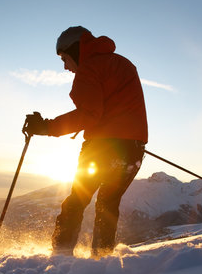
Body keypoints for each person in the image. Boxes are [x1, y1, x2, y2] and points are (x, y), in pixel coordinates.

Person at [24, 26, 148, 258]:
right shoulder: (122, 63)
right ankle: (101, 259)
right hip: (133, 148)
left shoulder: (89, 68)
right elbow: (119, 106)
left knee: (76, 201)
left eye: (64, 58)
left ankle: (60, 257)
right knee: (107, 204)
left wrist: (46, 127)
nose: (65, 66)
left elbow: (89, 114)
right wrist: (129, 139)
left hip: (102, 147)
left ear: (75, 50)